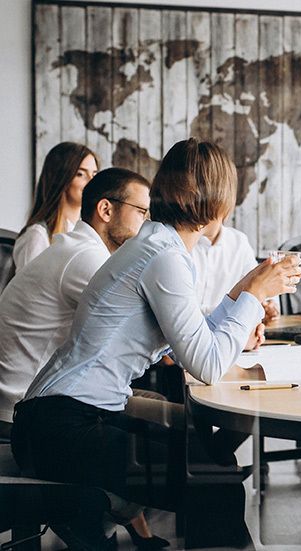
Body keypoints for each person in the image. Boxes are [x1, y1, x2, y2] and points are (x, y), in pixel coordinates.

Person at [10, 138, 301, 549]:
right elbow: (206, 362)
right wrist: (254, 295)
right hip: (61, 427)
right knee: (216, 483)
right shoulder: (162, 256)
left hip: (60, 418)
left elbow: (193, 337)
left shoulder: (157, 246)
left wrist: (247, 289)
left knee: (215, 463)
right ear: (214, 201)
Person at [0, 168, 166, 548]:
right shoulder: (86, 259)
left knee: (147, 412)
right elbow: (149, 323)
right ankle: (105, 515)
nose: (147, 224)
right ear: (106, 209)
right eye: (142, 212)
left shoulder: (73, 248)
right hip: (27, 409)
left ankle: (112, 517)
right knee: (159, 430)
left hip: (33, 399)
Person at [14, 142, 98, 269]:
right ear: (61, 178)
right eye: (80, 174)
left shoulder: (87, 233)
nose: (92, 182)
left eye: (94, 175)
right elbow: (30, 288)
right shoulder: (37, 236)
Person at [191, 219, 279, 323]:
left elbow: (257, 279)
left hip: (226, 325)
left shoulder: (239, 241)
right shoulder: (181, 241)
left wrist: (268, 305)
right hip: (188, 327)